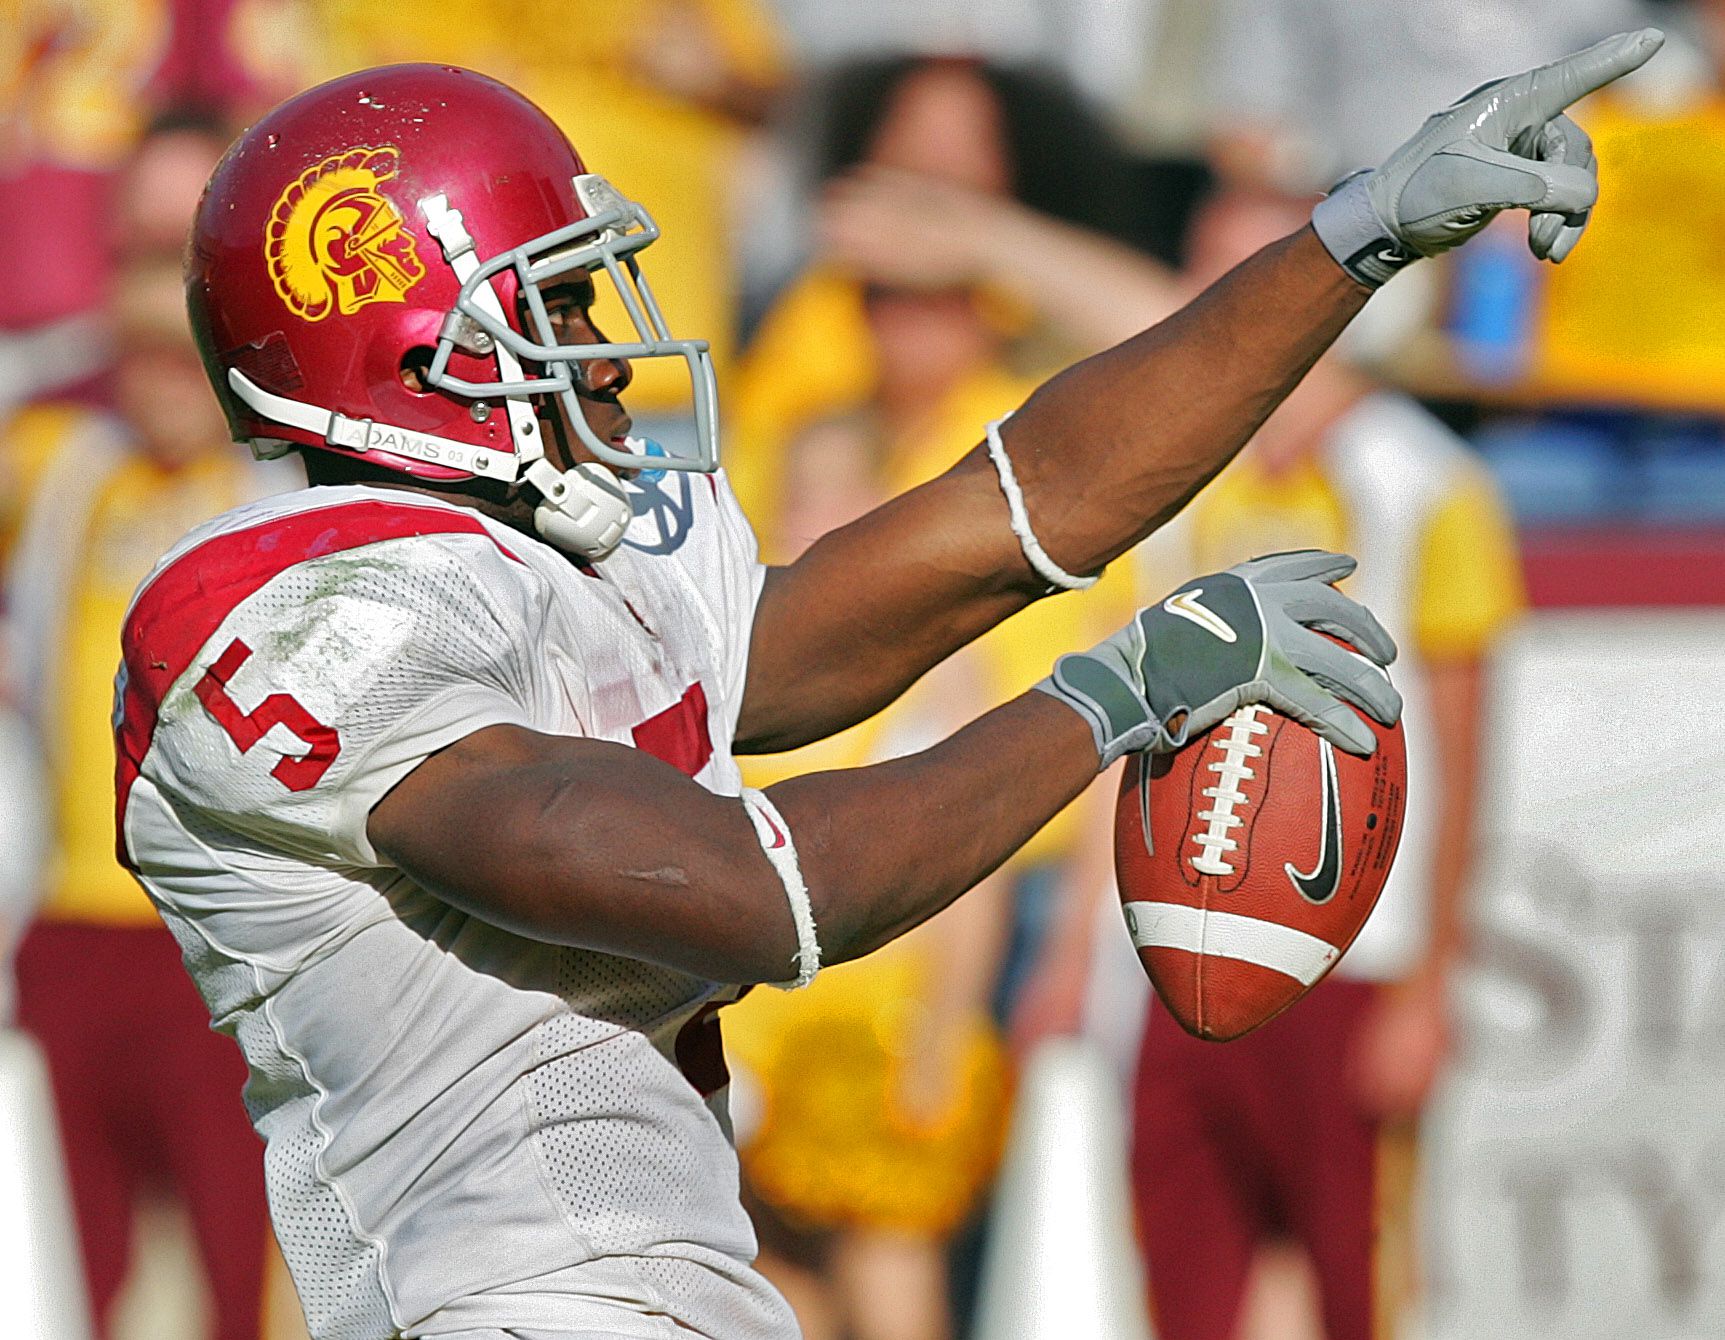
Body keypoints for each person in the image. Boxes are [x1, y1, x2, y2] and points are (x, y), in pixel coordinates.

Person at [119, 34, 1654, 1340]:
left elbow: (1018, 506)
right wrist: (1111, 698)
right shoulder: (303, 621)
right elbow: (746, 892)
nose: (602, 352)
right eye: (555, 306)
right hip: (509, 1306)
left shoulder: (559, 551)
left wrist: (1355, 239)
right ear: (403, 344)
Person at [1124, 189, 1526, 1340]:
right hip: (1180, 939)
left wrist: (1432, 979)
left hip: (1353, 954)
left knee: (1359, 1283)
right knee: (1191, 1280)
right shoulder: (1175, 470)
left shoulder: (1427, 483)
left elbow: (1462, 755)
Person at [6, 112, 290, 1340]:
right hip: (70, 935)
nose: (152, 308)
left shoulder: (303, 494)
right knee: (75, 1290)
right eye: (132, 259)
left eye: (185, 265)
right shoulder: (62, 462)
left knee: (249, 1287)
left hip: (231, 948)